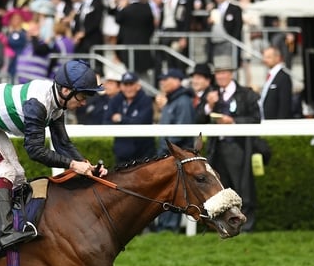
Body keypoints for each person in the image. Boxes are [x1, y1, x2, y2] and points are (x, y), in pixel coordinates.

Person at [0, 60, 108, 248]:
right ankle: (6, 233)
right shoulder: (38, 104)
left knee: (18, 175)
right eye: (81, 96)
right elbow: (35, 151)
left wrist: (87, 166)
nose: (83, 103)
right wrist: (74, 165)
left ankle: (20, 224)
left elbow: (62, 144)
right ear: (66, 90)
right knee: (4, 172)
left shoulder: (57, 103)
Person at [200, 56, 261, 232]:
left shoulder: (246, 94)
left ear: (231, 74)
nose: (220, 76)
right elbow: (198, 119)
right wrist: (208, 106)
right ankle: (224, 225)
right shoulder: (211, 94)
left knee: (243, 187)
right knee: (219, 189)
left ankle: (247, 225)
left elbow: (256, 119)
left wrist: (233, 122)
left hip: (238, 147)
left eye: (224, 73)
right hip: (216, 148)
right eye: (218, 73)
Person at [155, 67, 195, 233]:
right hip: (168, 153)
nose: (163, 82)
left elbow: (180, 131)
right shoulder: (172, 100)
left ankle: (170, 227)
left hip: (175, 155)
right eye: (162, 80)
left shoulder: (183, 101)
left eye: (167, 79)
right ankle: (164, 226)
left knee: (174, 192)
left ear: (178, 81)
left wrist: (166, 149)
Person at [106, 71, 156, 164]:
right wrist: (129, 120)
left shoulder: (146, 100)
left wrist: (121, 119)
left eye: (131, 84)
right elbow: (106, 121)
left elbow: (141, 122)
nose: (128, 88)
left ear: (138, 85)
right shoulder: (115, 100)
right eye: (125, 84)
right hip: (121, 154)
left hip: (144, 154)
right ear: (121, 86)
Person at [259, 46, 293, 121]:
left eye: (268, 57)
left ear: (278, 58)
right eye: (264, 57)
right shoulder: (270, 75)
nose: (265, 60)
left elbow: (285, 106)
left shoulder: (283, 77)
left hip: (276, 125)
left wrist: (279, 126)